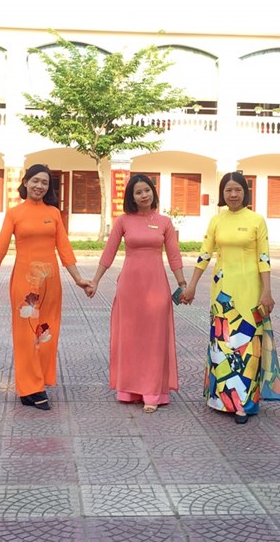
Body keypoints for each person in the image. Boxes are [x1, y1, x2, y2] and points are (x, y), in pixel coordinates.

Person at [0, 164, 91, 410]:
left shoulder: (53, 213)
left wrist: (79, 279)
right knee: (26, 334)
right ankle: (30, 388)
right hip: (25, 283)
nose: (39, 186)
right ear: (25, 182)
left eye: (45, 182)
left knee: (47, 332)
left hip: (51, 283)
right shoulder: (15, 214)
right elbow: (0, 249)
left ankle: (37, 383)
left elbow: (65, 249)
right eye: (35, 180)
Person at [181, 172, 280, 424]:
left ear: (245, 192)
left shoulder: (256, 220)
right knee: (223, 343)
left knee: (248, 346)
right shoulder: (217, 220)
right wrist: (192, 285)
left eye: (237, 189)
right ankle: (220, 399)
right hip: (222, 293)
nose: (233, 194)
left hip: (250, 292)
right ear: (222, 193)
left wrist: (267, 291)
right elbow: (205, 255)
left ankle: (244, 404)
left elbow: (264, 258)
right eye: (228, 190)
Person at [86, 174, 186, 413]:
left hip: (156, 287)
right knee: (130, 338)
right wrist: (95, 281)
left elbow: (174, 255)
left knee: (154, 339)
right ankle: (129, 389)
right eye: (138, 192)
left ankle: (153, 392)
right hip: (130, 288)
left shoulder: (164, 222)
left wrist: (183, 284)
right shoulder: (123, 221)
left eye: (147, 190)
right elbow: (109, 252)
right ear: (131, 197)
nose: (144, 195)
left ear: (153, 192)